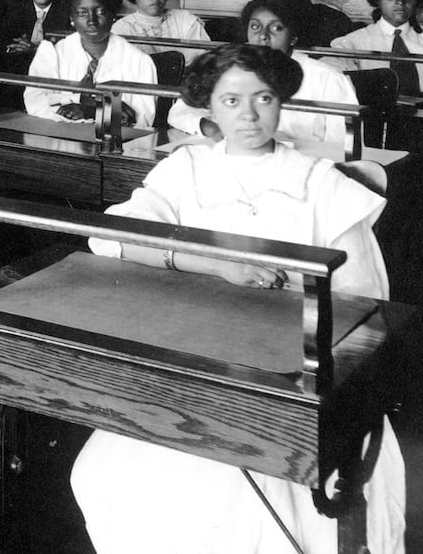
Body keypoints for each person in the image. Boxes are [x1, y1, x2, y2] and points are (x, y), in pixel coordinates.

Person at [71, 44, 404, 554]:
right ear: (209, 108)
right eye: (231, 101)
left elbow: (365, 300)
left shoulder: (319, 181)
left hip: (292, 370)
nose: (248, 115)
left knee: (251, 498)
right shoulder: (186, 168)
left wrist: (291, 298)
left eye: (263, 97)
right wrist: (216, 264)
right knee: (108, 475)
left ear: (281, 101)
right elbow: (111, 237)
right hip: (199, 358)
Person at [168, 0, 358, 156]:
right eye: (255, 27)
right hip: (236, 159)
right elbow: (178, 112)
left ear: (294, 36)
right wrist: (209, 127)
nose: (263, 36)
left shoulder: (327, 78)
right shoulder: (228, 67)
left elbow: (340, 147)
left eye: (276, 28)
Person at [27, 0, 157, 128]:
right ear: (72, 18)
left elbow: (142, 121)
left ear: (113, 15)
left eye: (101, 12)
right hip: (59, 139)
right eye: (82, 13)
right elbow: (35, 104)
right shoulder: (53, 54)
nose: (92, 21)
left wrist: (90, 111)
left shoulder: (139, 61)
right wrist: (110, 110)